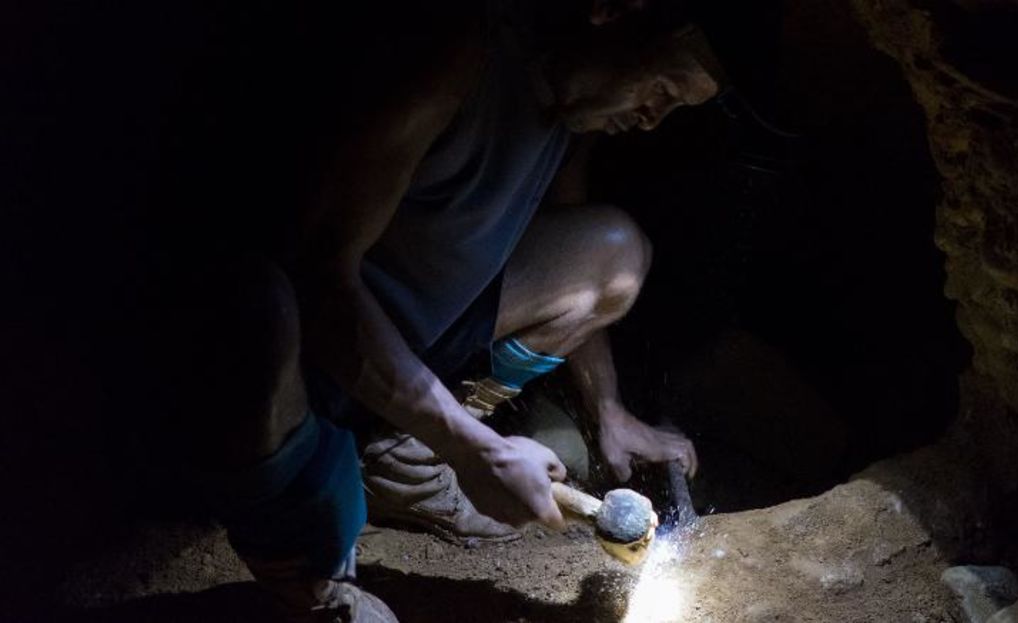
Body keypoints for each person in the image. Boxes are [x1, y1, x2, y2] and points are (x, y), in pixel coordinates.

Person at [161, 1, 726, 620]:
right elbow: (320, 282)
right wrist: (476, 450)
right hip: (312, 356)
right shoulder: (452, 57)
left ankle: (396, 451)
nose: (652, 119)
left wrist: (610, 409)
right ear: (611, 11)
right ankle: (312, 575)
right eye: (663, 88)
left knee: (612, 254)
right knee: (260, 314)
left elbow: (571, 223)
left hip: (414, 335)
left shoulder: (574, 112)